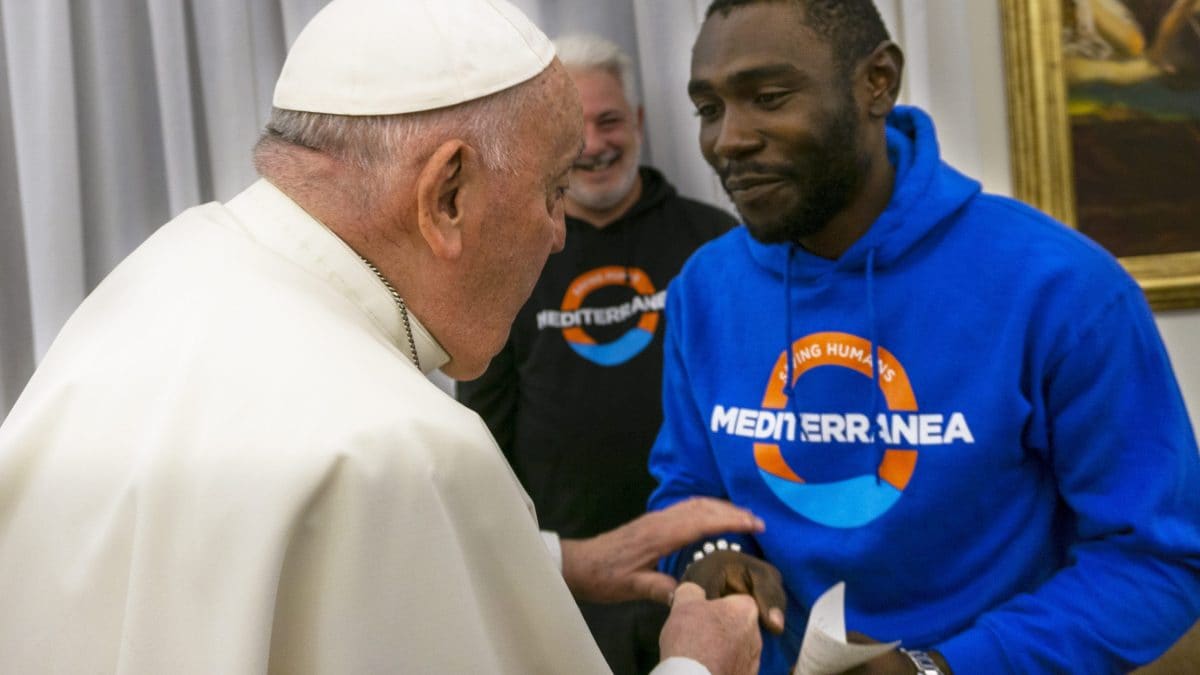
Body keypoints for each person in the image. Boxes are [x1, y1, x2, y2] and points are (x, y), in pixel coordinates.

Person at [0, 1, 769, 673]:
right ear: (448, 193)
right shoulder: (410, 447)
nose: (559, 236)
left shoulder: (164, 270)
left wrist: (562, 561)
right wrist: (699, 664)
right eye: (551, 190)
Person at [646, 0, 1200, 673]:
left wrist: (940, 667)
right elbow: (686, 485)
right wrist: (710, 555)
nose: (729, 139)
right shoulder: (706, 287)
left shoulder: (1063, 288)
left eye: (768, 97)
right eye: (709, 108)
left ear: (878, 81)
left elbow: (1157, 560)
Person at [457, 33, 736, 675]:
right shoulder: (508, 262)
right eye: (573, 130)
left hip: (708, 572)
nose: (594, 145)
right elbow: (484, 434)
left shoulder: (717, 244)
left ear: (638, 121)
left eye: (609, 120)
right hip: (566, 587)